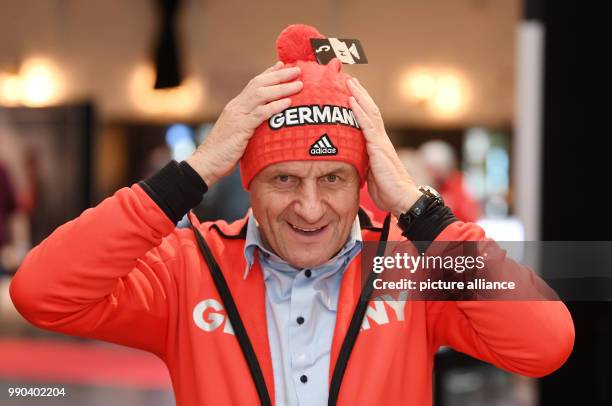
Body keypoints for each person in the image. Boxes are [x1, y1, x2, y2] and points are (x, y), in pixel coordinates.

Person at [10, 25, 574, 406]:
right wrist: (192, 172)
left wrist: (418, 208)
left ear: (364, 182)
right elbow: (42, 292)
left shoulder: (410, 267)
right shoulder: (191, 267)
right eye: (284, 179)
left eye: (333, 178)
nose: (309, 207)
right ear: (248, 183)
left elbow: (545, 343)